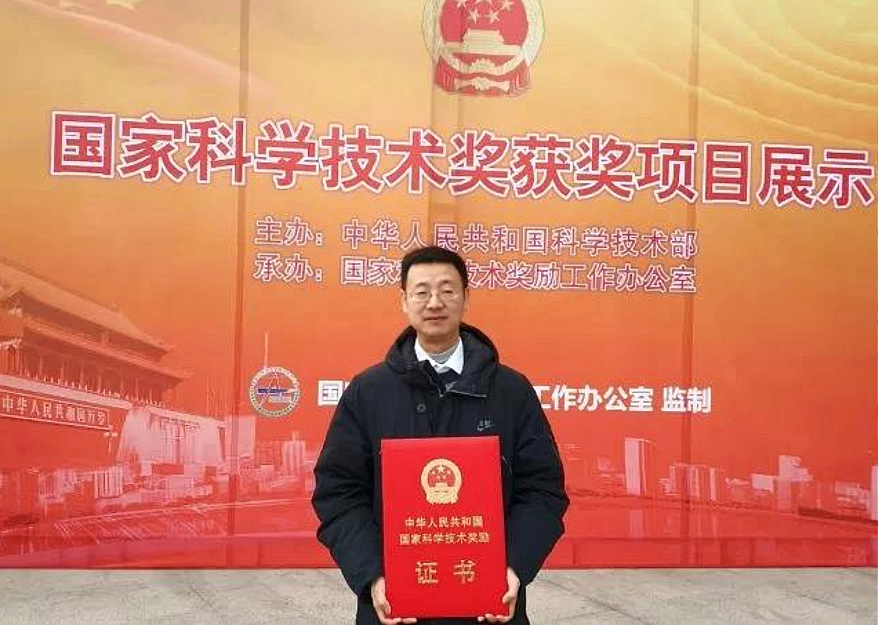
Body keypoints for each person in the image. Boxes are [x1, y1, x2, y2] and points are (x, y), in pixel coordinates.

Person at [312, 246, 568, 625]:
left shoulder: (511, 391)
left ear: (466, 298)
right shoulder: (368, 392)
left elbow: (542, 490)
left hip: (490, 603)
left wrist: (514, 567)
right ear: (404, 301)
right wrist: (372, 575)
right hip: (392, 606)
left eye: (447, 290)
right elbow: (339, 492)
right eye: (422, 291)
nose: (434, 302)